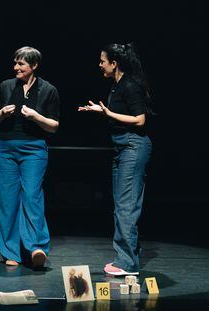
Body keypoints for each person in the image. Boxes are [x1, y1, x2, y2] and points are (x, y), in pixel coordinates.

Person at [78, 43, 152, 276]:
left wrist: (108, 113)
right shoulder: (116, 85)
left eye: (103, 61)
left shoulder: (130, 85)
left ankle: (127, 263)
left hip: (133, 146)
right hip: (122, 147)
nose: (100, 65)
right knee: (122, 205)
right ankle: (127, 257)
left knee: (126, 206)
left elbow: (140, 120)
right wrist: (102, 112)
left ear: (114, 63)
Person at [0, 46, 60, 268]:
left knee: (31, 196)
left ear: (34, 66)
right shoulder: (6, 86)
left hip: (34, 149)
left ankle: (36, 247)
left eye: (21, 64)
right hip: (6, 148)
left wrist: (37, 116)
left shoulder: (48, 90)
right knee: (7, 200)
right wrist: (1, 113)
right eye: (15, 63)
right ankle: (11, 251)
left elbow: (54, 126)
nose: (16, 67)